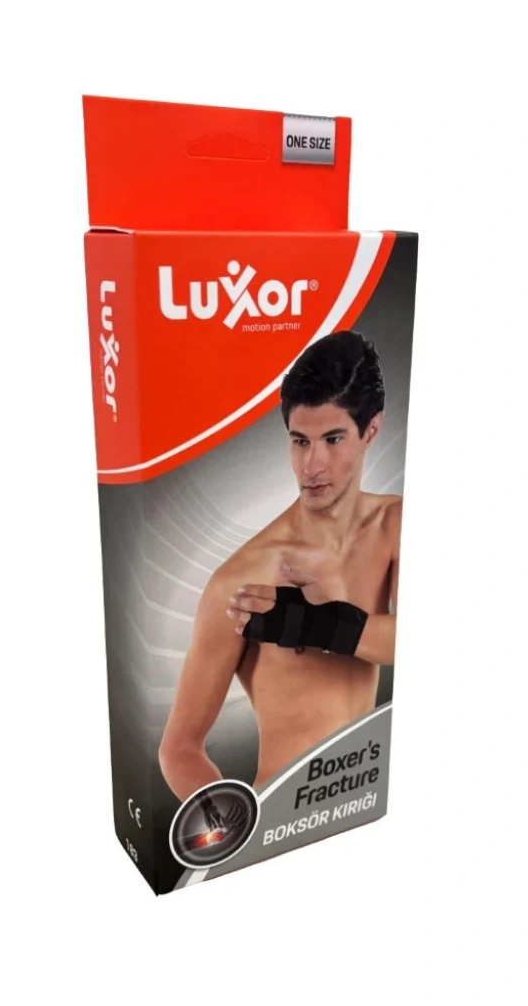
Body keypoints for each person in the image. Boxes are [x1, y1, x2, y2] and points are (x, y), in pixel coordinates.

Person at [158, 331, 401, 802]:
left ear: (371, 430)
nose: (312, 465)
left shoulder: (394, 523)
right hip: (279, 817)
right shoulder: (243, 582)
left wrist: (313, 622)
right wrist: (237, 830)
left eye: (333, 439)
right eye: (299, 441)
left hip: (359, 798)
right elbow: (179, 749)